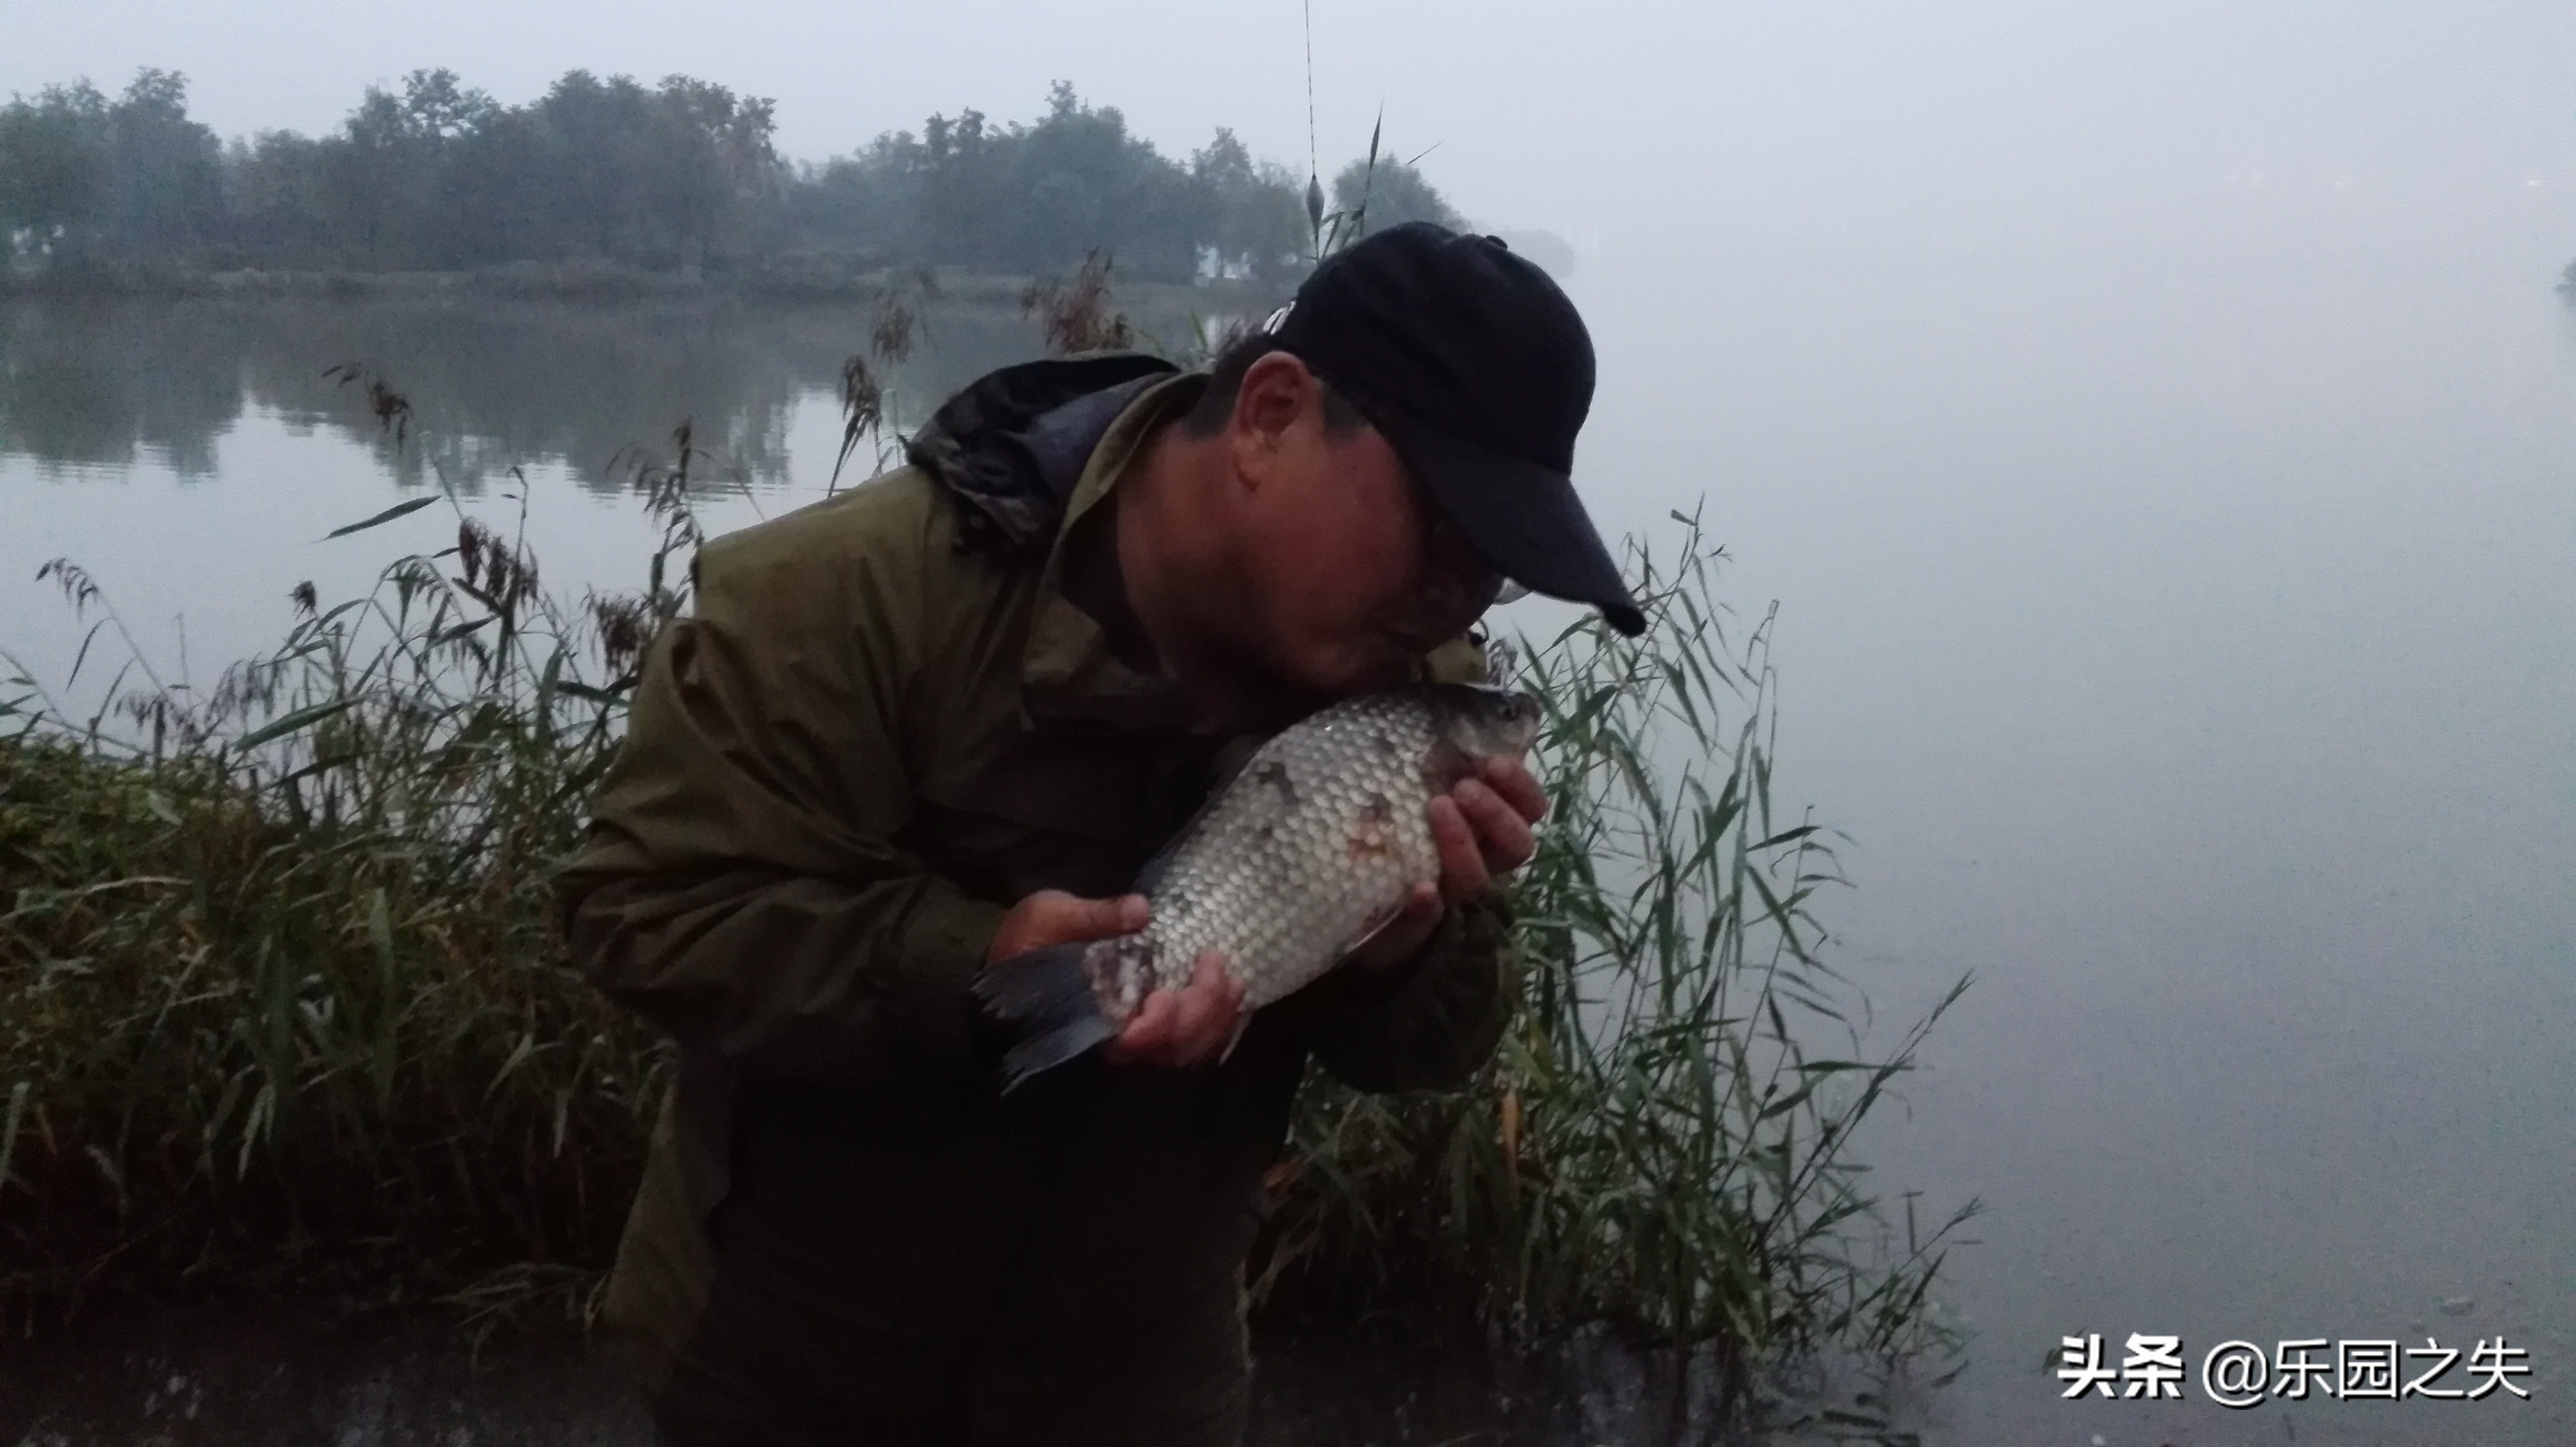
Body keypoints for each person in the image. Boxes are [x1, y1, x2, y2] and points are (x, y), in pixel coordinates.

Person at [559, 221, 1646, 1447]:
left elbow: (1434, 1043)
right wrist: (976, 969)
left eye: (1492, 571)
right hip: (789, 1366)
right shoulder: (851, 596)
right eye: (1440, 531)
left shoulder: (1405, 683)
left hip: (1142, 1389)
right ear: (1271, 416)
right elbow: (646, 905)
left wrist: (1402, 948)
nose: (1455, 600)